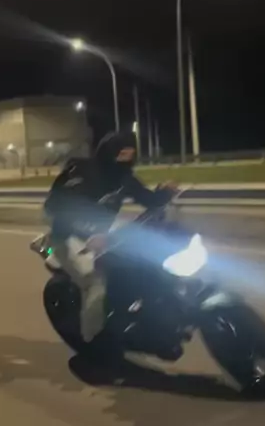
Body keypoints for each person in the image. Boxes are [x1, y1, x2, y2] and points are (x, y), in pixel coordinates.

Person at [44, 131, 173, 344]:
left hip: (101, 236)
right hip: (67, 237)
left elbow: (148, 199)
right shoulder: (81, 173)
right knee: (96, 284)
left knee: (140, 262)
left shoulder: (124, 179)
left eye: (130, 155)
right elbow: (55, 207)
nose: (125, 160)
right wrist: (86, 232)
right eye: (121, 154)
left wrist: (165, 193)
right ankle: (93, 341)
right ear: (108, 153)